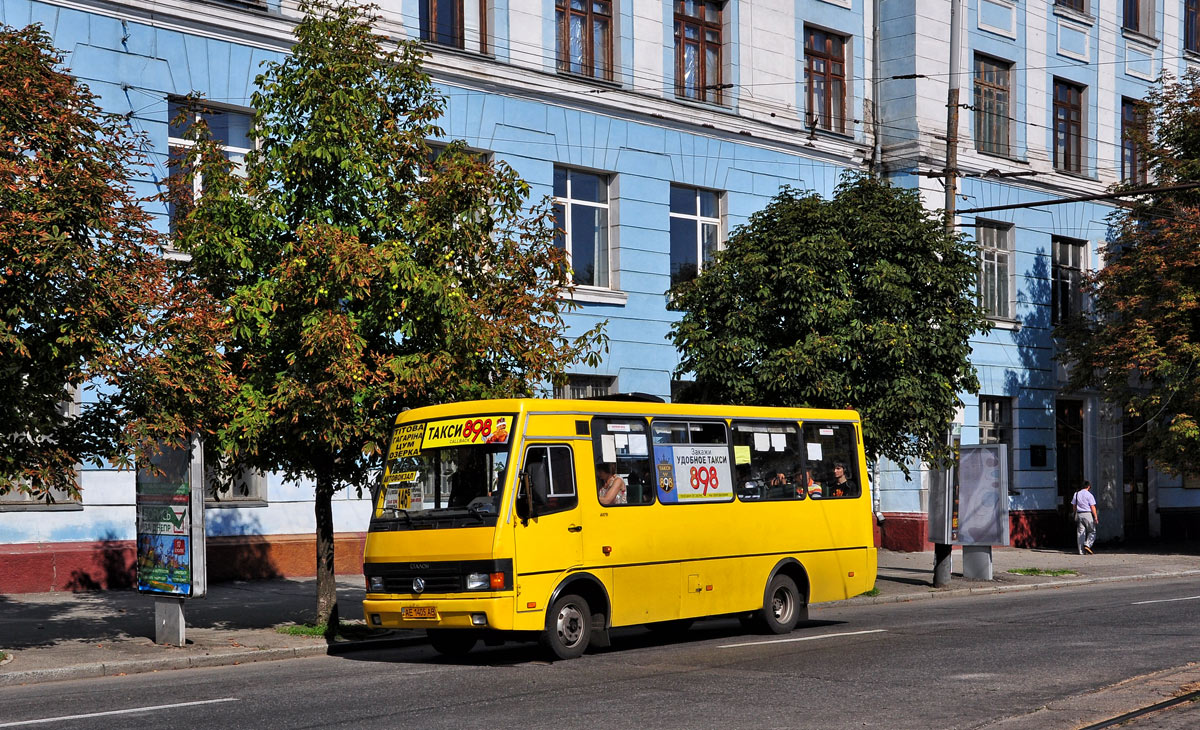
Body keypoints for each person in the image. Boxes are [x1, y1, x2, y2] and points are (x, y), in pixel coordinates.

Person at [1071, 480, 1099, 555]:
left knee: (1080, 533)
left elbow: (1074, 505)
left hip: (1079, 514)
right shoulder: (1089, 495)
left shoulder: (1076, 494)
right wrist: (1095, 517)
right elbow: (1092, 506)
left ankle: (1081, 551)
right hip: (1087, 514)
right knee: (1092, 531)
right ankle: (1088, 544)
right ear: (1088, 486)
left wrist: (1074, 512)